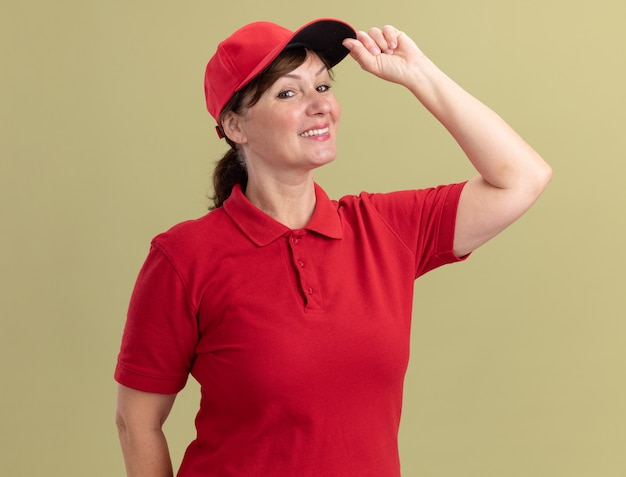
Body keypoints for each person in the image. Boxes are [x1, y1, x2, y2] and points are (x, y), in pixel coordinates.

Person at [114, 18, 552, 477]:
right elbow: (136, 422)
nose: (319, 105)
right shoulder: (184, 256)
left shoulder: (384, 228)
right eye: (289, 92)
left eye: (323, 86)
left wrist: (419, 74)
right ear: (234, 125)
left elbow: (522, 178)